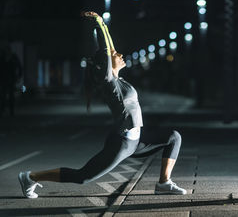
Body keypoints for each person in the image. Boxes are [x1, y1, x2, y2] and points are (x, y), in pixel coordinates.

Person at [18, 11, 186, 198]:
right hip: (123, 143)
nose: (120, 54)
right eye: (115, 54)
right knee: (83, 177)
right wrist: (99, 24)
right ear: (106, 62)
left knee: (173, 137)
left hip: (136, 140)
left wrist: (104, 25)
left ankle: (164, 183)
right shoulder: (109, 83)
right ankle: (31, 177)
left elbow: (110, 48)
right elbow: (107, 50)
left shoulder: (118, 79)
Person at [0, 45, 22, 116]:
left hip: (11, 78)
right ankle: (3, 109)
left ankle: (11, 110)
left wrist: (19, 76)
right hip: (3, 78)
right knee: (3, 95)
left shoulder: (13, 57)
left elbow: (19, 66)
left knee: (10, 95)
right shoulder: (2, 57)